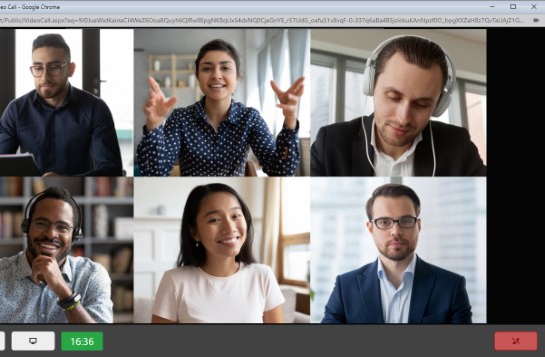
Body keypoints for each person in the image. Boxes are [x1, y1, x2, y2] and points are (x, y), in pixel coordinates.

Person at [311, 34, 486, 176]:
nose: (403, 118)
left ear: (439, 105)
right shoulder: (330, 143)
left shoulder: (457, 145)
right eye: (393, 97)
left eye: (422, 104)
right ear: (371, 86)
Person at [137, 39, 305, 176]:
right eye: (207, 68)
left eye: (225, 68)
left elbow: (281, 171)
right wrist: (154, 125)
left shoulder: (250, 118)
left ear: (237, 76)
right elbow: (155, 172)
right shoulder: (180, 118)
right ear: (197, 76)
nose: (216, 75)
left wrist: (290, 119)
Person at [0, 187, 113, 323]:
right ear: (26, 227)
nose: (51, 234)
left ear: (74, 236)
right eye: (41, 223)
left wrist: (64, 292)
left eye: (62, 227)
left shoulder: (92, 276)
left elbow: (102, 343)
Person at [321, 183, 472, 323]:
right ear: (370, 228)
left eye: (405, 221)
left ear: (418, 226)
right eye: (384, 222)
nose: (396, 232)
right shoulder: (345, 286)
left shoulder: (451, 286)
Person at [0, 33, 123, 176]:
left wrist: (66, 179)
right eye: (38, 67)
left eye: (54, 67)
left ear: (71, 69)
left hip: (78, 192)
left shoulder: (95, 109)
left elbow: (112, 169)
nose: (45, 77)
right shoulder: (16, 110)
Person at [151, 183, 285, 323]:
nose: (230, 228)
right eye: (214, 220)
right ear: (194, 232)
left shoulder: (263, 276)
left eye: (235, 216)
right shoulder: (174, 281)